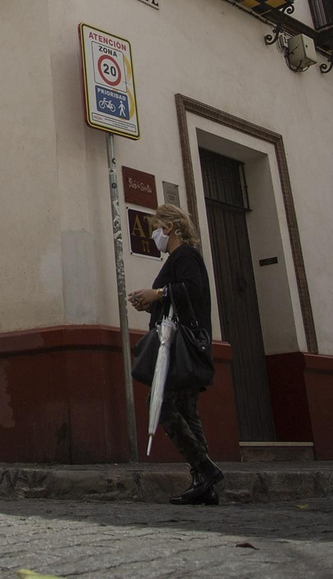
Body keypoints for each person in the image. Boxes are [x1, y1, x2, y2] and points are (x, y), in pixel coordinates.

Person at [128, 202, 223, 506]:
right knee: (188, 411)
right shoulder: (183, 257)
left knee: (162, 404)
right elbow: (178, 297)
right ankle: (203, 483)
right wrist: (150, 302)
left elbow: (191, 290)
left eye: (157, 227)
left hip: (182, 344)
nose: (155, 233)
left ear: (168, 228)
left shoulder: (184, 255)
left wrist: (156, 293)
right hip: (189, 343)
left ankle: (206, 470)